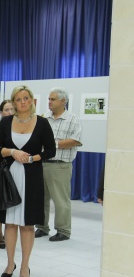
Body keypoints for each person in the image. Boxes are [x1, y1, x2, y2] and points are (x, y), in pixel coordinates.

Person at [0, 85, 56, 277]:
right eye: (18, 99)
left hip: (32, 178)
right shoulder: (5, 122)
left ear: (32, 101)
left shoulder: (42, 123)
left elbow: (51, 151)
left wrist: (33, 158)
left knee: (27, 224)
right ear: (13, 102)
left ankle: (24, 266)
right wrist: (12, 152)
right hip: (9, 177)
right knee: (10, 223)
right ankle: (10, 263)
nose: (22, 102)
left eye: (26, 98)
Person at [35, 88, 82, 242]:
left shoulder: (72, 119)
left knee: (60, 200)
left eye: (53, 99)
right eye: (49, 99)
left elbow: (76, 140)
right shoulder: (43, 118)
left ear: (63, 101)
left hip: (60, 165)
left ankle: (63, 230)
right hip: (42, 163)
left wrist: (52, 144)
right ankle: (42, 227)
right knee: (40, 198)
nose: (49, 102)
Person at [0, 99, 15, 249]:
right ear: (1, 112)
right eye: (6, 110)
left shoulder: (19, 127)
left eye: (11, 109)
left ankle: (10, 235)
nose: (9, 112)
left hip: (15, 168)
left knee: (11, 203)